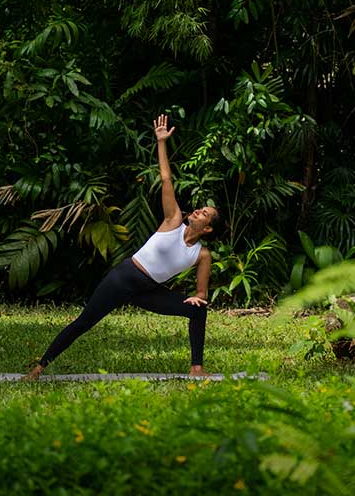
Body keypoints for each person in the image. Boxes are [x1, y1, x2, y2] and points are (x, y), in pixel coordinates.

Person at [24, 114, 220, 380]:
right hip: (123, 278)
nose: (197, 211)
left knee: (197, 311)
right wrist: (161, 142)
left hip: (148, 291)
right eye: (199, 208)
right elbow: (165, 179)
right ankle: (38, 369)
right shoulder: (173, 221)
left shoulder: (202, 255)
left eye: (204, 213)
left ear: (207, 228)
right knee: (84, 322)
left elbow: (201, 292)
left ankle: (196, 368)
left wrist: (199, 298)